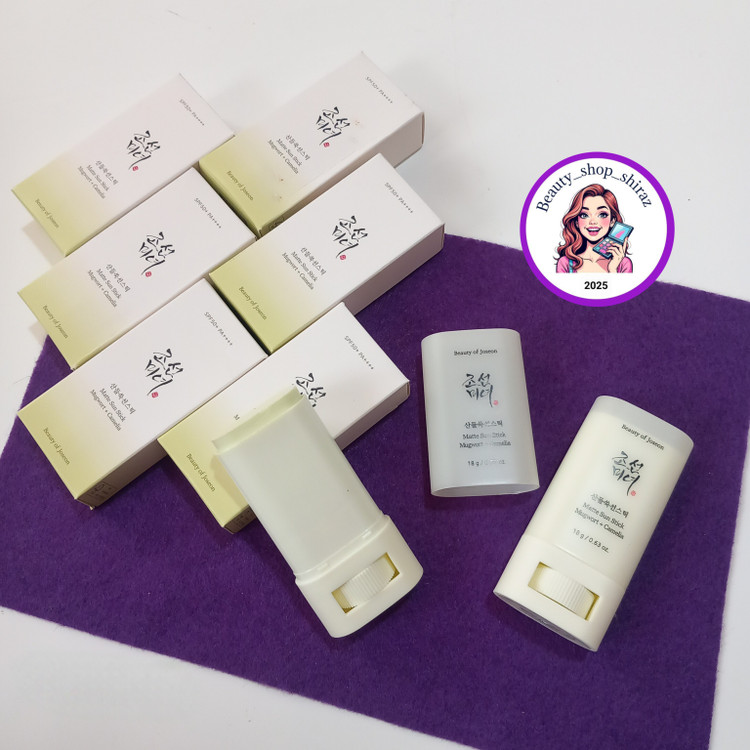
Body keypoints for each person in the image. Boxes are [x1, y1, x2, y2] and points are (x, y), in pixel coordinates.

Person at [555, 184, 632, 273]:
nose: (592, 222)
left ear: (612, 221)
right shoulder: (565, 263)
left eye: (602, 214)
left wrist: (613, 270)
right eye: (584, 215)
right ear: (576, 222)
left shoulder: (623, 263)